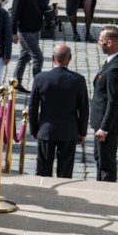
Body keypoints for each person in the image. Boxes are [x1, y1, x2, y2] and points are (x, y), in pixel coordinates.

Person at [28, 43, 89, 178]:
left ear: (52, 58)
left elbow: (33, 107)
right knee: (65, 170)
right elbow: (83, 109)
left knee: (43, 169)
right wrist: (82, 131)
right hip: (69, 131)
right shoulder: (78, 80)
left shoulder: (40, 78)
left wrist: (33, 129)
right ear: (70, 58)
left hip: (46, 130)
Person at [89, 26, 118, 182]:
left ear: (110, 42)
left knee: (106, 163)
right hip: (101, 123)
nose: (99, 43)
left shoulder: (116, 69)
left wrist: (104, 128)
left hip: (106, 126)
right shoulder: (112, 62)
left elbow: (114, 102)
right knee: (99, 158)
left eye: (101, 40)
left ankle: (107, 193)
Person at [11, 0, 50, 91]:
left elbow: (43, 8)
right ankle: (37, 86)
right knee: (38, 58)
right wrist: (13, 33)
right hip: (24, 31)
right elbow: (14, 14)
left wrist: (51, 11)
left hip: (36, 29)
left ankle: (16, 81)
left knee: (25, 56)